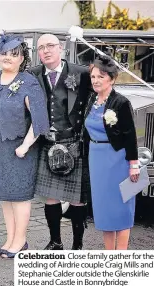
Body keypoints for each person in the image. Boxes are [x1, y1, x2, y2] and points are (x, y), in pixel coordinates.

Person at [0, 34, 49, 258]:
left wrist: (25, 145)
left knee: (20, 196)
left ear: (22, 58)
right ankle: (10, 239)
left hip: (21, 149)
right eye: (4, 53)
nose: (8, 58)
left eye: (14, 54)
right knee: (5, 195)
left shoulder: (28, 81)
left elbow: (39, 119)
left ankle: (20, 240)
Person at [30, 34, 92, 251]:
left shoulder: (81, 73)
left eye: (50, 46)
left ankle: (77, 245)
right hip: (48, 143)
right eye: (41, 48)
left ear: (61, 48)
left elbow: (101, 93)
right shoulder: (33, 74)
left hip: (74, 142)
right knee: (50, 196)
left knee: (77, 199)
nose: (46, 51)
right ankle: (55, 241)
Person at [83, 55, 140, 250]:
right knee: (104, 210)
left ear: (112, 79)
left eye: (101, 77)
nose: (96, 81)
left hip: (118, 159)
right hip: (97, 159)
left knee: (121, 208)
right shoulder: (91, 99)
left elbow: (130, 135)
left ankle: (120, 256)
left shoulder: (121, 102)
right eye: (93, 77)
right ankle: (109, 254)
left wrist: (133, 165)